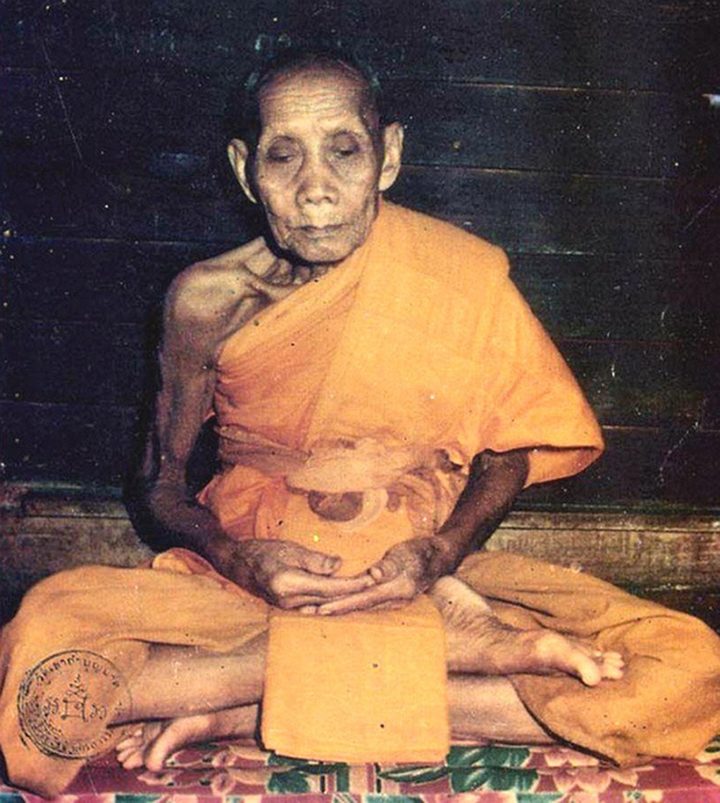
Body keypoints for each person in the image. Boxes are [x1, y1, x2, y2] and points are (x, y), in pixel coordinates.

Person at [1, 47, 719, 797]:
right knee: (37, 686)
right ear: (246, 170)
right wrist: (238, 559)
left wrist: (439, 553)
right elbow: (159, 483)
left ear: (388, 157)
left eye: (344, 151)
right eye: (284, 156)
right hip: (256, 586)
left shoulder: (457, 273)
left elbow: (507, 451)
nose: (316, 189)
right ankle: (428, 663)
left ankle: (243, 703)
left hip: (417, 574)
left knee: (688, 670)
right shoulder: (206, 300)